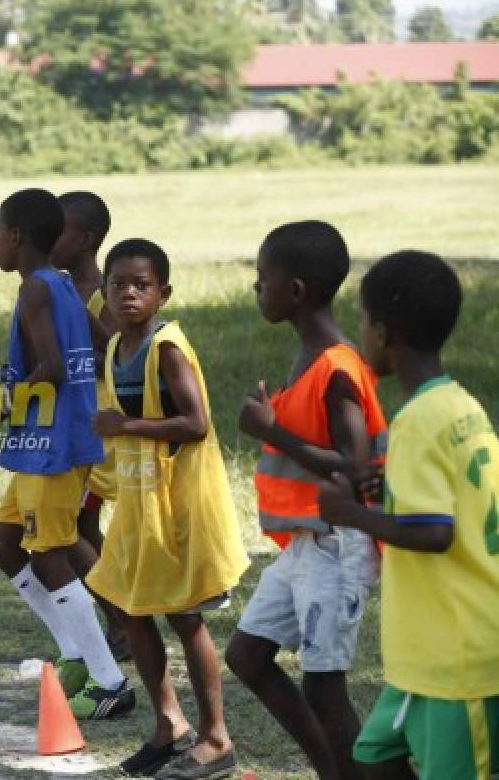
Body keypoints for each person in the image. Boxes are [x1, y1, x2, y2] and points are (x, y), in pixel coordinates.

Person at [318, 250, 499, 780]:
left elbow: (434, 531)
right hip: (425, 655)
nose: (360, 334)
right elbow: (457, 496)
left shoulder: (418, 421)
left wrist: (350, 512)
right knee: (374, 756)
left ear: (384, 331)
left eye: (362, 322)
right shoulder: (459, 404)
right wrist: (389, 490)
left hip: (457, 659)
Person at [225, 221, 386, 780]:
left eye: (261, 278)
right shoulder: (310, 357)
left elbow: (359, 469)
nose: (256, 288)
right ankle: (333, 770)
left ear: (295, 290)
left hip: (339, 546)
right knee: (246, 655)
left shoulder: (338, 366)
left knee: (325, 688)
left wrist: (274, 432)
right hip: (304, 543)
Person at [86, 239, 249, 778]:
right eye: (118, 285)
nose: (128, 294)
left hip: (177, 504)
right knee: (131, 609)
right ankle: (169, 726)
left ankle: (216, 738)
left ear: (163, 294)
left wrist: (125, 426)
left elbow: (195, 422)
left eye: (141, 285)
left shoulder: (167, 347)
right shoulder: (116, 348)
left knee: (184, 616)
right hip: (139, 501)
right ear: (104, 293)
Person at [0, 189, 132, 717]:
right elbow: (101, 341)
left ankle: (110, 680)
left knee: (49, 554)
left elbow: (55, 367)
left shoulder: (37, 292)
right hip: (42, 442)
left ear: (17, 237)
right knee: (2, 543)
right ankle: (73, 652)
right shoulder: (62, 283)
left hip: (53, 443)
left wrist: (5, 397)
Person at [49, 189, 130, 662]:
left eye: (59, 231)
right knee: (79, 525)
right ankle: (119, 619)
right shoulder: (58, 287)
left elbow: (113, 358)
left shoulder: (103, 295)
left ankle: (122, 621)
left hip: (92, 429)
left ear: (87, 239)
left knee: (71, 527)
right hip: (67, 423)